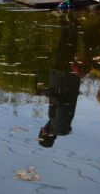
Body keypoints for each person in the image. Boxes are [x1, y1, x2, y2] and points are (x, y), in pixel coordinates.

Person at [37, 16, 84, 148]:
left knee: (65, 47)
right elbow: (62, 104)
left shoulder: (57, 125)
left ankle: (66, 20)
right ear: (47, 134)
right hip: (64, 78)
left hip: (63, 78)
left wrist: (45, 92)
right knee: (67, 47)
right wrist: (46, 93)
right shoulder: (59, 125)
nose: (41, 129)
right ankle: (71, 21)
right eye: (42, 132)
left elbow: (58, 103)